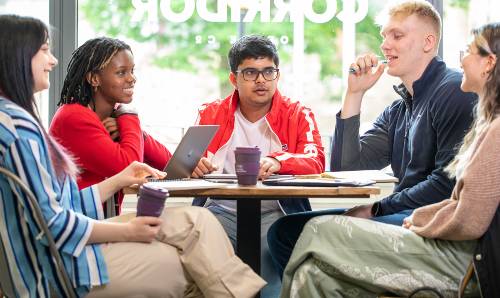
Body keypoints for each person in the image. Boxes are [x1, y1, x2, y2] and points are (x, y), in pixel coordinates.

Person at [0, 14, 265, 297]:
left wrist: (119, 175)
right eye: (44, 51)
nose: (53, 61)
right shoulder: (23, 128)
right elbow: (54, 223)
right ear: (17, 56)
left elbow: (59, 204)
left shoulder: (16, 120)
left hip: (69, 243)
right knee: (195, 262)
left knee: (199, 223)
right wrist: (130, 232)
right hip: (62, 264)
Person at [279, 22, 500, 297]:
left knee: (312, 230)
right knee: (312, 273)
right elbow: (345, 167)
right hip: (421, 221)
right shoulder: (400, 108)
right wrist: (355, 93)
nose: (384, 45)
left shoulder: (458, 96)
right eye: (384, 37)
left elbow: (464, 213)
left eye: (397, 35)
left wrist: (399, 215)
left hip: (460, 256)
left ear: (489, 63)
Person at [191, 35, 325, 297]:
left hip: (276, 211)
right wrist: (193, 165)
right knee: (209, 280)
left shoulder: (298, 113)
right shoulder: (210, 113)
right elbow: (185, 162)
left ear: (277, 75)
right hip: (220, 211)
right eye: (251, 72)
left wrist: (278, 161)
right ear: (234, 79)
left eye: (268, 72)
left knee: (271, 287)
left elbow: (316, 161)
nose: (261, 80)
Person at [50, 37, 172, 214]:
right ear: (94, 79)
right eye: (121, 73)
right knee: (196, 221)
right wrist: (129, 115)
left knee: (195, 221)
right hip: (81, 226)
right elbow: (132, 167)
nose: (132, 79)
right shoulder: (74, 117)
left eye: (132, 71)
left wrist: (128, 127)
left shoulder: (113, 117)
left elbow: (166, 164)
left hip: (100, 223)